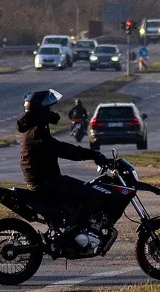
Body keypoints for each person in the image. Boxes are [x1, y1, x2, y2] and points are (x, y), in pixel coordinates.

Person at [16, 89, 106, 231]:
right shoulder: (37, 132)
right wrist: (93, 155)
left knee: (85, 190)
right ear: (41, 110)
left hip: (48, 180)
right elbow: (62, 149)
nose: (53, 111)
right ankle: (73, 233)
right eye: (49, 108)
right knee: (92, 196)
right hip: (45, 184)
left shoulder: (34, 128)